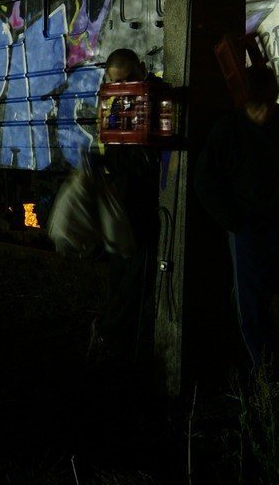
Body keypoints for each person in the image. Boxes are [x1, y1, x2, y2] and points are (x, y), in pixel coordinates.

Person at [194, 64, 279, 369]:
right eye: (256, 107)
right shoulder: (228, 129)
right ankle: (265, 370)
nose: (263, 113)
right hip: (249, 226)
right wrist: (234, 222)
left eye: (267, 105)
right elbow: (206, 180)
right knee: (251, 301)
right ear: (245, 104)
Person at [94, 48, 163, 365]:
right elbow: (111, 153)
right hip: (123, 204)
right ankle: (116, 343)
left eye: (128, 80)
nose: (123, 87)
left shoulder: (154, 97)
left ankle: (114, 340)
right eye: (117, 82)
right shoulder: (113, 103)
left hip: (139, 203)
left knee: (133, 280)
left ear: (141, 71)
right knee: (124, 279)